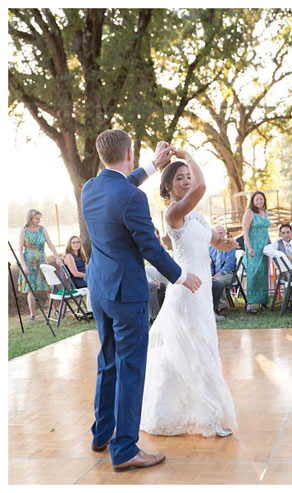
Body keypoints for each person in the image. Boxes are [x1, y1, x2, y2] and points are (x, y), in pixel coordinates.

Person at [83, 129, 201, 471]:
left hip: (100, 290)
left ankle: (101, 434)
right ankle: (124, 450)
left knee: (108, 362)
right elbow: (149, 246)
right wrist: (181, 275)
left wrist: (152, 165)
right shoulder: (132, 197)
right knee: (131, 369)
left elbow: (120, 185)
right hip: (126, 295)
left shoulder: (90, 188)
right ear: (128, 153)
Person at [141, 148, 239, 439]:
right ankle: (211, 417)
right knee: (199, 349)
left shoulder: (196, 217)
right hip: (186, 290)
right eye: (180, 178)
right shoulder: (173, 213)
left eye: (188, 176)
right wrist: (188, 156)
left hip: (202, 290)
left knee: (188, 350)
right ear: (168, 186)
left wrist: (230, 243)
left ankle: (166, 411)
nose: (186, 181)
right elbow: (202, 187)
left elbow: (216, 243)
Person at [17, 209, 62, 322]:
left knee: (49, 286)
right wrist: (24, 265)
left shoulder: (42, 229)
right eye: (37, 218)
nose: (39, 220)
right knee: (31, 289)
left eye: (39, 218)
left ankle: (55, 310)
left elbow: (50, 244)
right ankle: (32, 315)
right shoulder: (24, 230)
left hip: (42, 262)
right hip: (29, 263)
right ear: (30, 218)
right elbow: (20, 250)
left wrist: (57, 257)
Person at [241, 191, 271, 313]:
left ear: (264, 200)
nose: (259, 201)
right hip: (253, 247)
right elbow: (245, 232)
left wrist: (271, 245)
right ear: (253, 201)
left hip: (264, 248)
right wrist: (249, 247)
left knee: (263, 274)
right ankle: (250, 304)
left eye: (261, 199)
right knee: (253, 274)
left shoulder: (265, 212)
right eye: (256, 199)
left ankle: (262, 301)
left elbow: (266, 231)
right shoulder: (249, 213)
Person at [209, 224, 237, 320]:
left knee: (218, 282)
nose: (219, 235)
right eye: (217, 233)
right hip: (215, 275)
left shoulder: (230, 246)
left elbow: (230, 264)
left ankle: (223, 307)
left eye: (221, 233)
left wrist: (218, 275)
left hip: (228, 274)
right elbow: (211, 264)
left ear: (225, 234)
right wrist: (211, 275)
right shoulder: (210, 248)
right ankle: (211, 307)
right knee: (210, 281)